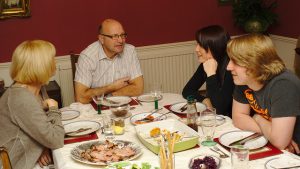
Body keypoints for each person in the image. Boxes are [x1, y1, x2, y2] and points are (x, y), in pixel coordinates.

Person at [226, 34, 300, 154]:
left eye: (235, 61)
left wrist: (257, 118)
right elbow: (238, 118)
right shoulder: (245, 80)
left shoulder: (284, 84)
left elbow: (280, 142)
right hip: (278, 148)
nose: (228, 67)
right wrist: (271, 132)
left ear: (254, 63)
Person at [0, 40, 65, 169]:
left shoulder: (37, 88)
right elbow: (56, 140)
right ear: (40, 66)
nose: (55, 62)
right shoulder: (21, 98)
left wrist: (43, 147)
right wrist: (53, 108)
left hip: (31, 159)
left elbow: (41, 128)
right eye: (52, 59)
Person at [75, 19, 144, 104]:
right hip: (96, 111)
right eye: (114, 36)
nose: (121, 41)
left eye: (122, 35)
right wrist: (110, 88)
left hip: (124, 107)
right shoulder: (87, 57)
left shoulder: (130, 51)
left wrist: (110, 95)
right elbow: (81, 97)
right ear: (101, 39)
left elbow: (138, 88)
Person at [182, 25, 234, 117]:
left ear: (215, 47)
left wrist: (211, 74)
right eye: (197, 44)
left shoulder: (232, 69)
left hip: (233, 124)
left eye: (201, 45)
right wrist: (205, 100)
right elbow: (187, 90)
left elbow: (219, 110)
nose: (196, 49)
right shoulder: (206, 64)